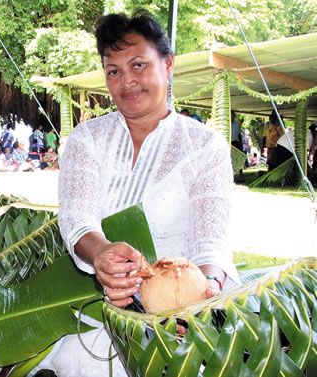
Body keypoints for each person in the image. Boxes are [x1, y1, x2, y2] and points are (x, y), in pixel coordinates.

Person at [39, 10, 239, 377]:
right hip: (101, 302)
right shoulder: (88, 139)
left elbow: (211, 241)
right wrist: (101, 255)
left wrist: (201, 298)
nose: (126, 81)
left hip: (187, 305)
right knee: (83, 359)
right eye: (113, 71)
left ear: (168, 64)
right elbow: (76, 218)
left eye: (138, 65)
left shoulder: (204, 146)